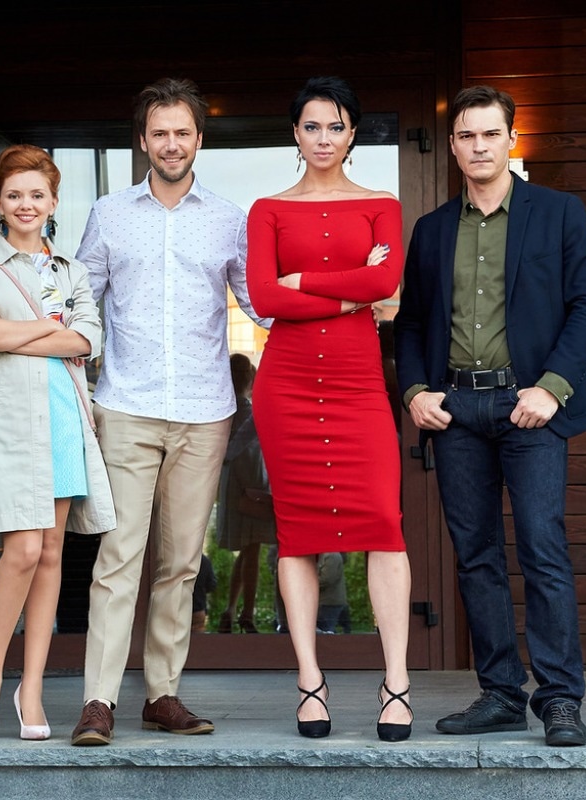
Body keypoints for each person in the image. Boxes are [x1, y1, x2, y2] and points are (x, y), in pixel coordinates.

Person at [394, 85, 586, 747]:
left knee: (543, 549)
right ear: (453, 146)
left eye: (491, 134)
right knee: (476, 557)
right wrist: (416, 391)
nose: (479, 146)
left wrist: (552, 388)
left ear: (511, 140)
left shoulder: (559, 212)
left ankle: (560, 700)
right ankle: (500, 694)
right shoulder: (432, 230)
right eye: (467, 136)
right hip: (457, 410)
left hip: (530, 407)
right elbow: (412, 323)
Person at [70, 77, 266, 746]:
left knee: (181, 562)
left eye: (182, 132)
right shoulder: (108, 214)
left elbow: (259, 305)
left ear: (199, 139)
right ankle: (98, 701)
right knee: (118, 556)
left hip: (205, 412)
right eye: (160, 133)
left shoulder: (229, 219)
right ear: (143, 140)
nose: (172, 143)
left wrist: (336, 294)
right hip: (126, 405)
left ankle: (162, 694)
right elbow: (82, 304)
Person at [246, 76, 413, 742]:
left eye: (336, 127)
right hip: (286, 385)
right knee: (298, 533)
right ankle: (310, 681)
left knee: (384, 523)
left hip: (357, 383)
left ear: (352, 134)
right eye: (312, 126)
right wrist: (350, 293)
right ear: (295, 132)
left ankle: (395, 683)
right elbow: (264, 298)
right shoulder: (267, 209)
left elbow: (386, 280)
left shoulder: (380, 204)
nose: (324, 138)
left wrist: (306, 282)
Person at [0, 144, 116, 742]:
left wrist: (19, 333)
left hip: (64, 418)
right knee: (20, 550)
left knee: (50, 553)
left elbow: (87, 341)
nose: (26, 204)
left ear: (53, 203)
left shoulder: (71, 272)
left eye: (37, 195)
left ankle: (34, 688)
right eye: (14, 194)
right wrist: (49, 329)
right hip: (8, 424)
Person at [216, 353, 275, 634]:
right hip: (250, 485)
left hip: (232, 484)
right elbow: (247, 450)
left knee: (248, 550)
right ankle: (246, 613)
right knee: (252, 550)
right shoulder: (250, 412)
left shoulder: (222, 410)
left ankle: (232, 609)